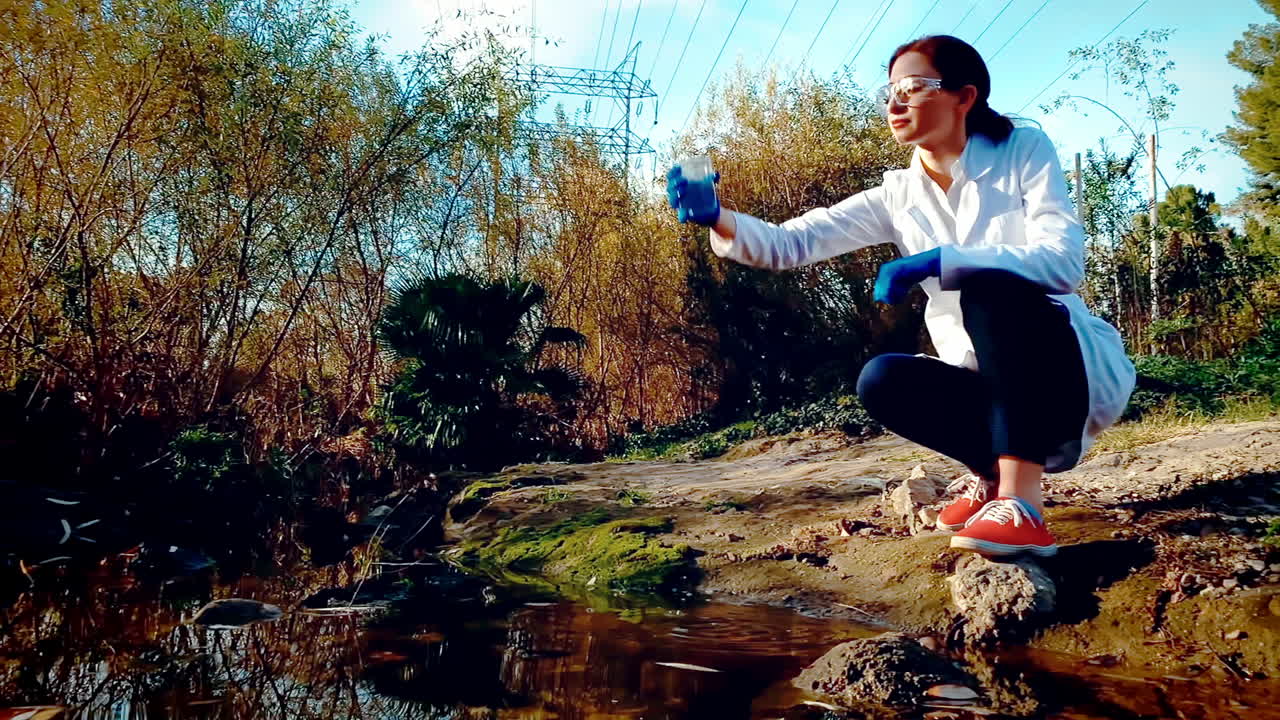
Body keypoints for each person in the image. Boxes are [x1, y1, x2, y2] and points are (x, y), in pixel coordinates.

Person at [666, 35, 1136, 558]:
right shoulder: (897, 195)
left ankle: (1022, 505)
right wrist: (719, 218)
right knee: (883, 379)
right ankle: (990, 477)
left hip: (1058, 379)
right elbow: (792, 243)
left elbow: (1063, 262)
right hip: (986, 390)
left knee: (989, 285)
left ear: (964, 96)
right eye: (889, 92)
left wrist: (943, 260)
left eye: (912, 88)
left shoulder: (1022, 151)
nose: (895, 104)